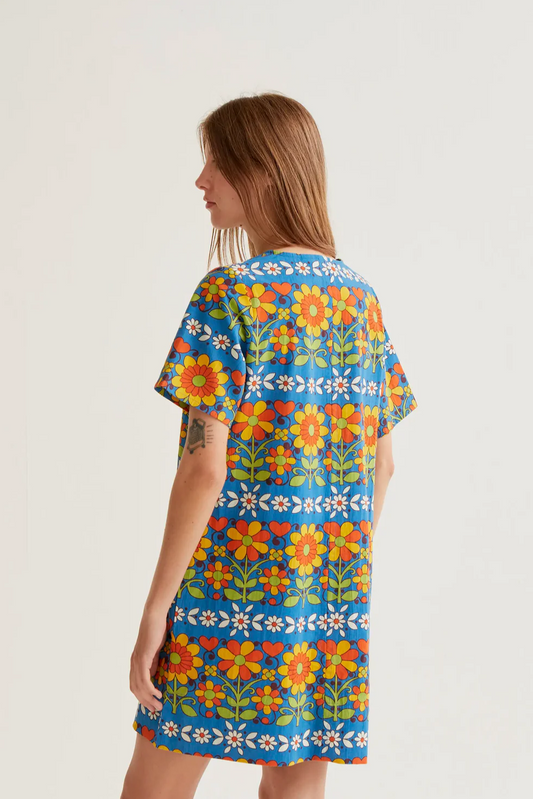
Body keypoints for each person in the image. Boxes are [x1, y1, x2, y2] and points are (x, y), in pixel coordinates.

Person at [120, 92, 418, 799]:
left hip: (223, 596)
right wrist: (319, 571)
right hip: (322, 603)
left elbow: (205, 467)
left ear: (263, 170)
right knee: (293, 792)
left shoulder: (228, 296)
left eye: (216, 163)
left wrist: (158, 608)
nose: (201, 180)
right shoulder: (359, 300)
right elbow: (383, 462)